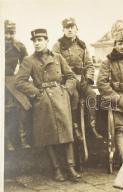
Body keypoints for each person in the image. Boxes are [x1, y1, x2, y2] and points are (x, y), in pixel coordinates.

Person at [15, 28, 81, 182]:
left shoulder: (57, 57)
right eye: (34, 41)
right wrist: (36, 92)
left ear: (46, 41)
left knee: (67, 133)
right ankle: (57, 169)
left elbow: (71, 77)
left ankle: (71, 167)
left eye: (40, 40)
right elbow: (19, 81)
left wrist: (66, 91)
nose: (37, 43)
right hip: (43, 100)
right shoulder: (29, 60)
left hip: (60, 97)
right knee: (48, 135)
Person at [52, 17, 103, 140]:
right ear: (63, 30)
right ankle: (75, 128)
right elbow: (55, 65)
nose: (69, 30)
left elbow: (89, 64)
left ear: (76, 29)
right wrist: (63, 80)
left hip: (82, 79)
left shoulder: (82, 45)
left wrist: (89, 79)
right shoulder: (58, 45)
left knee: (91, 95)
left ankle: (92, 127)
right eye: (67, 28)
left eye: (72, 27)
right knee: (73, 97)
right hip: (68, 80)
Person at [96, 33, 123, 160]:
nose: (122, 47)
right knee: (119, 130)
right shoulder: (108, 62)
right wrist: (115, 97)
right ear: (115, 45)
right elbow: (101, 83)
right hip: (116, 101)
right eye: (119, 44)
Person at [4, 20, 31, 151]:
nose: (8, 36)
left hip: (12, 81)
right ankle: (6, 141)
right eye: (6, 33)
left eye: (11, 33)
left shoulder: (19, 46)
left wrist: (20, 77)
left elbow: (26, 64)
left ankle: (23, 138)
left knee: (23, 106)